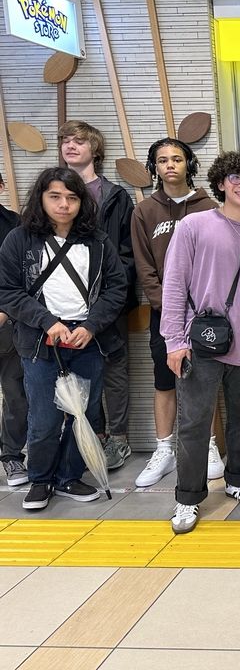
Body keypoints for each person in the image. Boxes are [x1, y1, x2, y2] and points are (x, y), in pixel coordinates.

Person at [161, 151, 240, 534]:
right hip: (200, 344)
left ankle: (239, 479)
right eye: (235, 177)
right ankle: (187, 498)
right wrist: (173, 341)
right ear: (220, 183)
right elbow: (174, 285)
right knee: (194, 423)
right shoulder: (194, 226)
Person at [0, 167, 127, 511]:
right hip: (41, 342)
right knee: (43, 418)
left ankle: (70, 475)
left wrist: (92, 326)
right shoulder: (19, 239)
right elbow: (8, 291)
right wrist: (47, 322)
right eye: (55, 197)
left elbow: (117, 288)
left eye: (72, 198)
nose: (64, 205)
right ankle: (40, 479)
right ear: (40, 198)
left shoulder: (98, 241)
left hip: (87, 338)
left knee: (83, 415)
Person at [131, 138, 220, 488]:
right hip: (165, 314)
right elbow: (144, 266)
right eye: (162, 160)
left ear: (189, 164)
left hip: (206, 314)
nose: (170, 165)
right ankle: (164, 449)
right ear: (154, 167)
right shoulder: (145, 211)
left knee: (206, 380)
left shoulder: (209, 207)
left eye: (177, 159)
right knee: (165, 380)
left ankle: (210, 446)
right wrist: (168, 307)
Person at [58, 120, 136, 470]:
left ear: (95, 149)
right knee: (75, 368)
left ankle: (117, 439)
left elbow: (127, 251)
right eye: (65, 141)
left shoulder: (114, 195)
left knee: (114, 366)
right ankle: (88, 437)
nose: (70, 146)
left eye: (79, 141)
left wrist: (111, 289)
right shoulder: (51, 191)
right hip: (61, 301)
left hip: (108, 297)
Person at [0, 173, 29, 488]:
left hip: (9, 324)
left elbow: (25, 276)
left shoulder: (17, 226)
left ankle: (11, 456)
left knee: (17, 396)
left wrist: (6, 310)